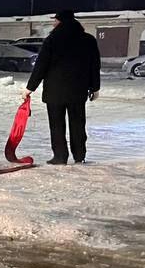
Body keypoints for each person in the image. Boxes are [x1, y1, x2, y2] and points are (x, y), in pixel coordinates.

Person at [23, 10, 101, 164]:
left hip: (55, 92)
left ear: (60, 21)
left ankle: (60, 156)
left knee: (57, 125)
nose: (54, 23)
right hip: (78, 91)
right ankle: (79, 156)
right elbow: (94, 66)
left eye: (55, 20)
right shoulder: (88, 40)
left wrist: (30, 88)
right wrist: (95, 87)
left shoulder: (52, 40)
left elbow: (41, 66)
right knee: (78, 124)